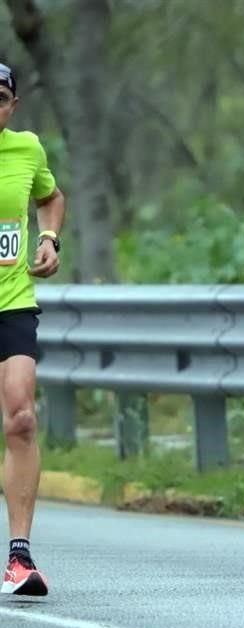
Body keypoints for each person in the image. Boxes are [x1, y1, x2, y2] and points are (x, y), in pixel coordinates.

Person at [0, 62, 66, 597]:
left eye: (0, 97)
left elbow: (51, 196)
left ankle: (19, 557)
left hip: (12, 301)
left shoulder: (27, 149)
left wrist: (49, 238)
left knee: (21, 418)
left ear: (13, 106)